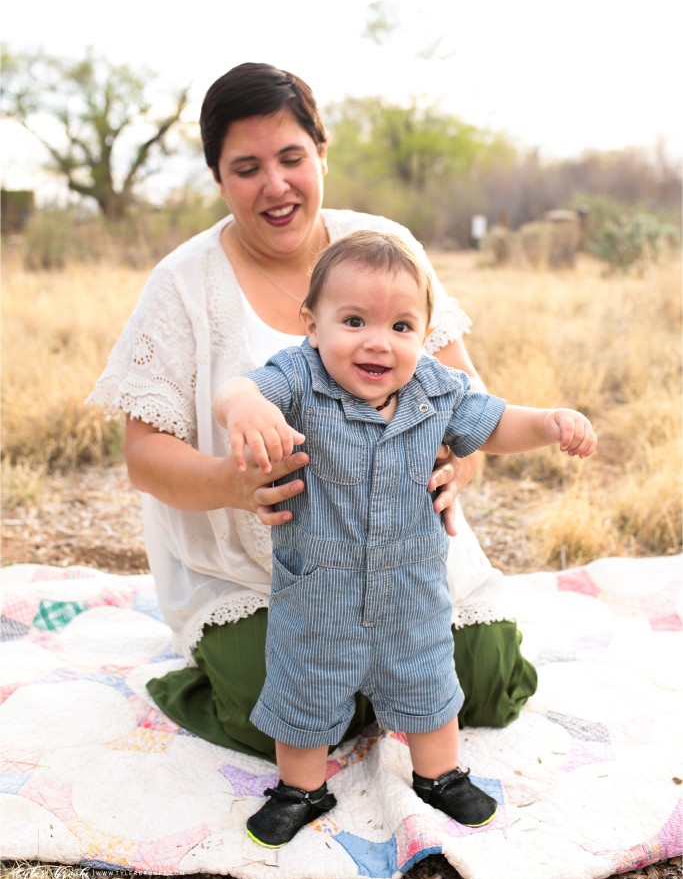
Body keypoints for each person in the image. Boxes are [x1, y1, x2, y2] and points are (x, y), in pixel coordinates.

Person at [87, 61, 538, 767]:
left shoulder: (384, 248)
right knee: (276, 715)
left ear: (320, 153)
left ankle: (374, 686)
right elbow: (144, 456)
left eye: (291, 157)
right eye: (246, 167)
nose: (275, 184)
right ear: (218, 177)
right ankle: (247, 680)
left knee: (488, 684)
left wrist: (462, 466)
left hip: (398, 552)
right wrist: (232, 484)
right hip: (256, 567)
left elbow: (463, 399)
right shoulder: (183, 282)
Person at [213, 231, 597, 847]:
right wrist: (245, 410)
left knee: (427, 680)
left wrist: (547, 423)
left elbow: (496, 422)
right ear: (311, 325)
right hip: (319, 588)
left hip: (411, 586)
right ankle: (300, 789)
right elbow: (239, 389)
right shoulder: (298, 377)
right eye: (354, 320)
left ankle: (438, 775)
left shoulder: (437, 391)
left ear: (424, 334)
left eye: (401, 326)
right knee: (303, 683)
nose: (377, 341)